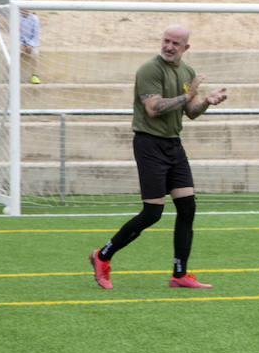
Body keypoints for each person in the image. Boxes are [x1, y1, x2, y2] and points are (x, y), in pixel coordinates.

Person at [89, 25, 228, 290]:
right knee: (152, 213)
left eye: (176, 43)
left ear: (185, 48)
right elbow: (154, 109)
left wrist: (207, 102)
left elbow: (190, 111)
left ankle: (179, 274)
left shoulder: (186, 72)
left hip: (173, 145)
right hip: (148, 144)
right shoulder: (149, 69)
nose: (169, 46)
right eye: (166, 41)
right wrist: (188, 95)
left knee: (187, 208)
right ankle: (102, 255)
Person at [18, 8, 40, 84]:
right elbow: (14, 34)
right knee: (15, 53)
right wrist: (21, 44)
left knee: (35, 54)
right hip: (19, 43)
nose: (25, 10)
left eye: (27, 9)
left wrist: (30, 45)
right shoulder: (16, 18)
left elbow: (36, 35)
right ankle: (15, 75)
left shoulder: (34, 19)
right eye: (23, 9)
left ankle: (35, 76)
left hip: (31, 43)